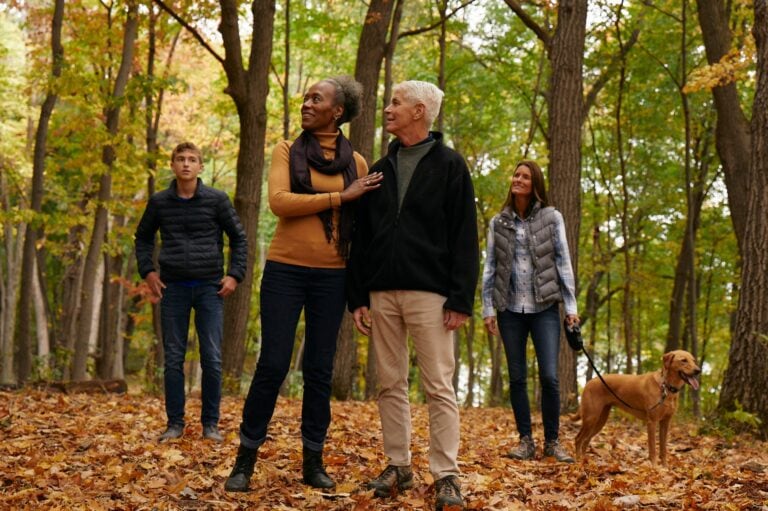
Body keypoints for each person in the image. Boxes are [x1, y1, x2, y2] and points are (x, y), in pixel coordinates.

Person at [225, 76, 378, 492]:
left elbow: (364, 229)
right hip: (285, 271)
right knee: (273, 365)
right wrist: (340, 197)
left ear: (338, 111)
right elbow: (280, 203)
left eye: (316, 98)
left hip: (334, 276)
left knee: (319, 371)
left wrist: (362, 292)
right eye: (306, 97)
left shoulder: (358, 164)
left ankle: (313, 461)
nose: (306, 103)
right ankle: (244, 460)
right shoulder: (287, 150)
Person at [347, 80, 479, 511]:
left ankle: (446, 474)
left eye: (396, 103)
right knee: (390, 383)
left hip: (432, 294)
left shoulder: (450, 164)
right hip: (382, 291)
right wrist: (358, 295)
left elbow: (465, 234)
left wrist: (461, 298)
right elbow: (362, 236)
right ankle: (398, 465)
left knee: (439, 386)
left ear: (419, 111)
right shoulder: (379, 168)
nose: (388, 109)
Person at [134, 141, 247, 443]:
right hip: (173, 289)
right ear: (172, 165)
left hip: (210, 288)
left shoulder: (217, 200)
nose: (186, 164)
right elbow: (143, 238)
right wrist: (148, 272)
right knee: (173, 358)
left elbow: (239, 238)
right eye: (181, 159)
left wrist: (234, 275)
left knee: (211, 358)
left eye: (192, 159)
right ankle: (175, 424)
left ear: (200, 166)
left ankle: (211, 425)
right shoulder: (159, 202)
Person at [481, 160, 578, 463]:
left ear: (535, 184)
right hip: (510, 309)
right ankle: (525, 441)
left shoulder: (552, 217)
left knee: (549, 376)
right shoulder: (499, 222)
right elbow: (490, 267)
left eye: (525, 176)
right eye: (516, 175)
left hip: (544, 307)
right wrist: (488, 309)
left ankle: (552, 442)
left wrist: (571, 307)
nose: (518, 180)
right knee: (517, 378)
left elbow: (563, 261)